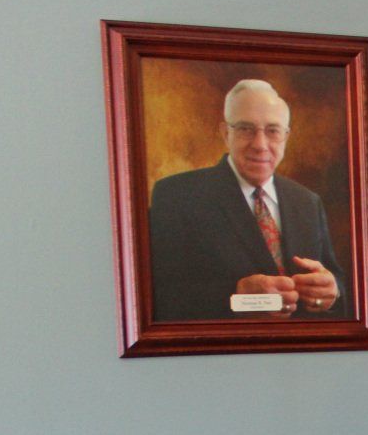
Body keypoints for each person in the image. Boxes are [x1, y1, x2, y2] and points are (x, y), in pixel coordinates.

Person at [147, 79, 345, 321]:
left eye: (273, 131)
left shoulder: (307, 202)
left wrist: (333, 292)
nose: (260, 145)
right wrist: (239, 297)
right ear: (225, 133)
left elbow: (338, 283)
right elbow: (161, 295)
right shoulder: (177, 196)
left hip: (305, 354)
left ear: (286, 136)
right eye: (245, 129)